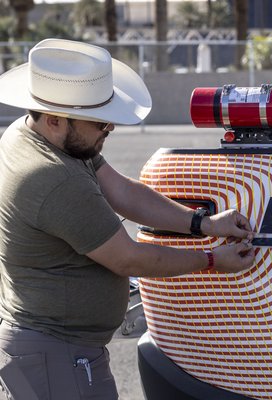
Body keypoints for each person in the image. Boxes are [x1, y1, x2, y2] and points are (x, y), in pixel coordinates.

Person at [0, 38, 255, 399]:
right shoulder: (54, 177)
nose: (110, 129)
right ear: (56, 118)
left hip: (53, 351)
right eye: (101, 123)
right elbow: (127, 258)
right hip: (57, 356)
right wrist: (213, 259)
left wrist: (204, 223)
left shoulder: (36, 135)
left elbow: (123, 190)